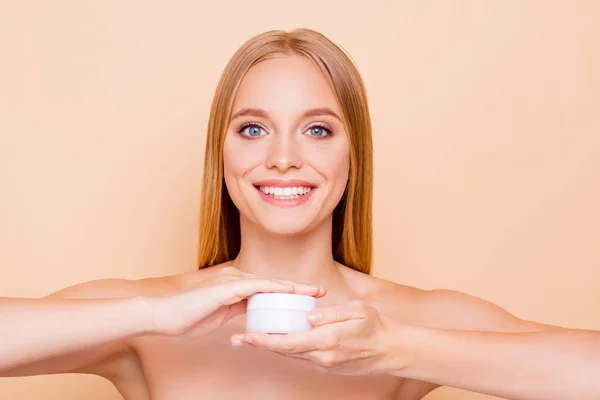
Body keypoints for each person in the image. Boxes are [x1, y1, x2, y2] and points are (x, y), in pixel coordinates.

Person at [1, 28, 598, 400]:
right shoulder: (145, 323)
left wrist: (394, 348)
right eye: (253, 128)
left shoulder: (403, 321)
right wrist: (155, 314)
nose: (283, 158)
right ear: (222, 153)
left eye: (317, 129)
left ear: (352, 154)